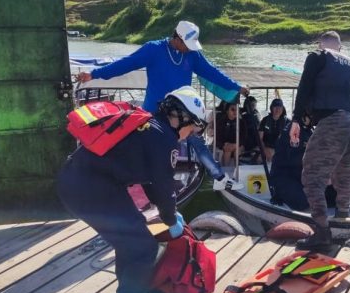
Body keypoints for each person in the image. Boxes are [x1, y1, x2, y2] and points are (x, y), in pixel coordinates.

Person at [57, 86, 209, 293]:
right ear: (182, 118)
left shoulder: (145, 123)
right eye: (193, 127)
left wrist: (162, 219)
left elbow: (148, 186)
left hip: (77, 184)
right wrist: (170, 220)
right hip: (92, 191)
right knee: (143, 248)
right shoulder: (165, 139)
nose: (191, 133)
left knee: (131, 242)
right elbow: (163, 190)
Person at [76, 20, 247, 191]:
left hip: (183, 113)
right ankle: (141, 181)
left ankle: (219, 178)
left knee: (197, 140)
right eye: (187, 44)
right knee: (153, 147)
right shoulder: (154, 49)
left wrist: (236, 86)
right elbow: (125, 64)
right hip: (155, 111)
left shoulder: (192, 55)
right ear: (177, 37)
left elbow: (212, 71)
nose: (189, 48)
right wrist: (94, 74)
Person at [289, 31, 350, 250]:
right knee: (344, 172)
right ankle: (342, 215)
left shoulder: (317, 56)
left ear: (321, 44)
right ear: (339, 47)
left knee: (312, 176)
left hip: (333, 120)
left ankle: (322, 233)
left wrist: (296, 119)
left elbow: (305, 87)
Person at [269, 119, 313, 210]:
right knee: (303, 202)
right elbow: (289, 157)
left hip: (300, 175)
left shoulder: (310, 131)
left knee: (331, 195)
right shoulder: (291, 130)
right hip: (283, 175)